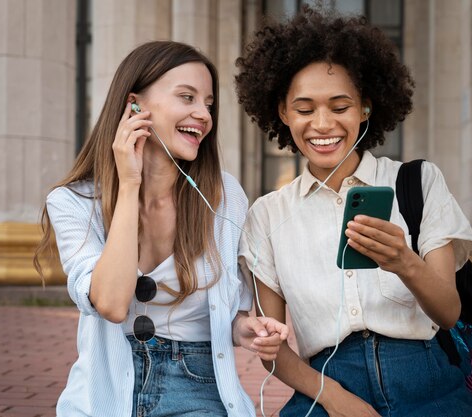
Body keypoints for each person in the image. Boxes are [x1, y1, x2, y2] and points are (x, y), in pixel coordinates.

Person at [235, 7, 472, 417]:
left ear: (365, 108)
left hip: (425, 377)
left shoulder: (418, 183)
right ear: (282, 112)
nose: (322, 123)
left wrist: (404, 262)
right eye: (304, 108)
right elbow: (271, 348)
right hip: (326, 384)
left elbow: (448, 311)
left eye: (340, 105)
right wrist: (336, 400)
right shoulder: (267, 215)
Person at [34, 40, 288, 417]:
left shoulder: (223, 197)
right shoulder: (73, 202)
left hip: (198, 386)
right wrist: (130, 183)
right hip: (104, 392)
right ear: (134, 105)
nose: (203, 114)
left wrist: (243, 329)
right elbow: (111, 304)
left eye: (208, 104)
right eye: (187, 97)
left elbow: (231, 312)